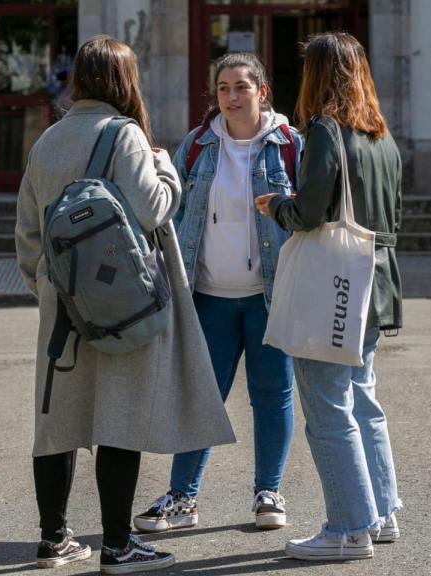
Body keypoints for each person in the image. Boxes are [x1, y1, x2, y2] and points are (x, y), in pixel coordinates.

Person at [15, 36, 235, 573]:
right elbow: (152, 208)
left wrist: (51, 289)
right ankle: (117, 546)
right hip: (123, 302)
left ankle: (53, 540)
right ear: (124, 80)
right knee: (119, 417)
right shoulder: (125, 134)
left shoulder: (47, 140)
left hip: (63, 303)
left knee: (58, 421)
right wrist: (167, 169)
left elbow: (27, 233)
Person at [133, 53, 302, 534]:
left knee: (273, 396)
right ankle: (183, 496)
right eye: (223, 88)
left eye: (241, 87)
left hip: (272, 297)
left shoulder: (291, 145)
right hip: (208, 296)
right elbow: (170, 209)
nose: (231, 97)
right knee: (202, 399)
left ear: (262, 92)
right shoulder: (198, 145)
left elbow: (310, 212)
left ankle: (268, 492)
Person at [255, 32, 404, 561]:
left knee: (327, 409)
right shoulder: (382, 136)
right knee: (363, 400)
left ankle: (347, 529)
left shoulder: (325, 130)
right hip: (376, 282)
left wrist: (277, 205)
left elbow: (310, 212)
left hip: (334, 286)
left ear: (317, 74)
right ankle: (381, 515)